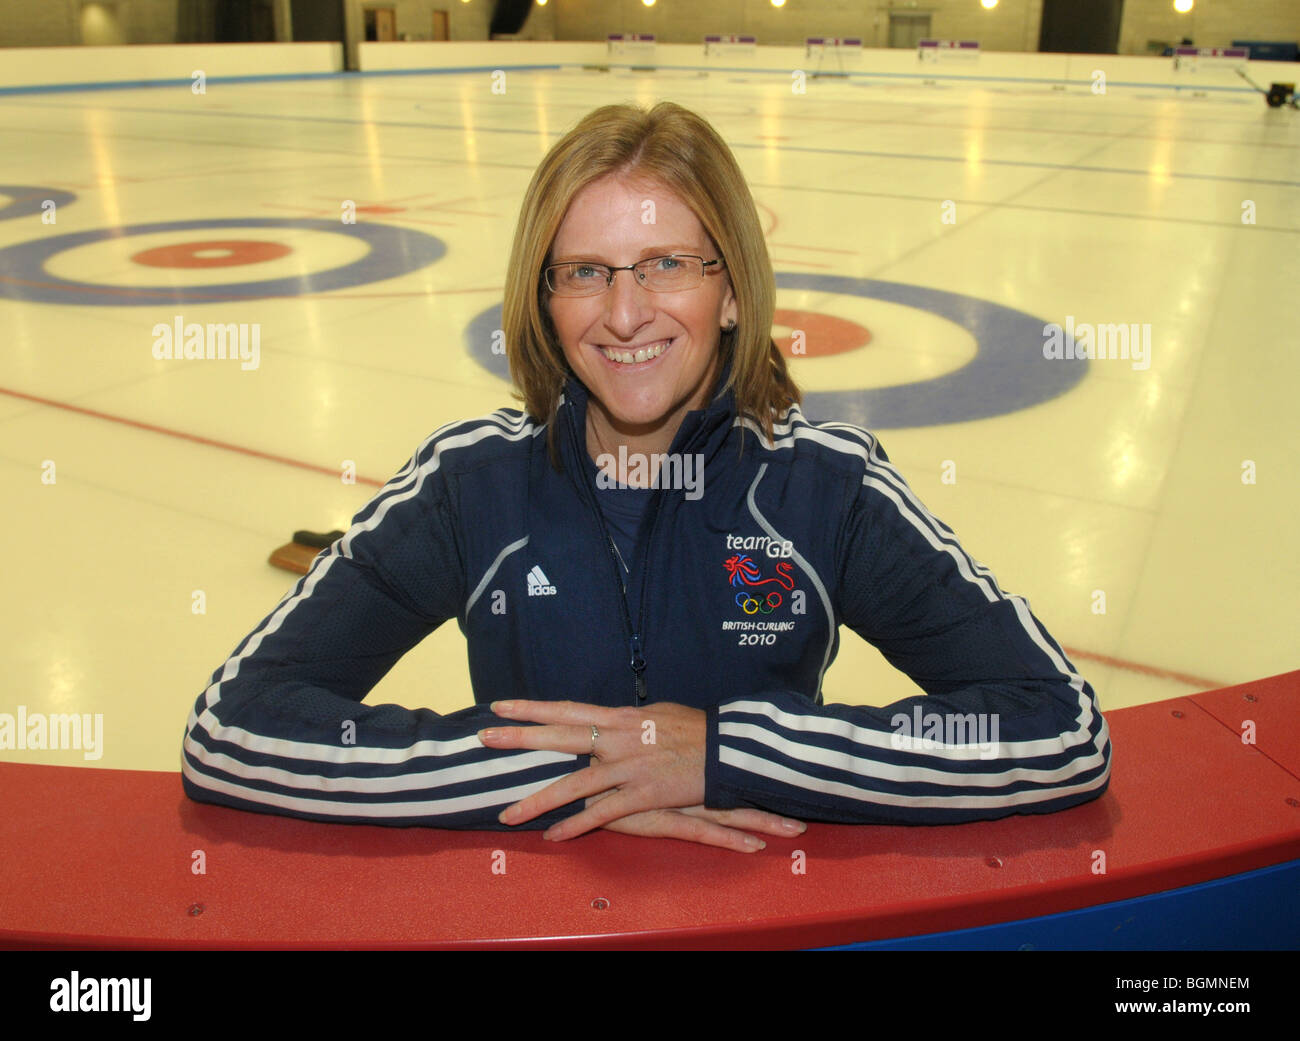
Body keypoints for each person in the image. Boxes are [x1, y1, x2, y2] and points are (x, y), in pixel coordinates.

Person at [181, 101, 1111, 852]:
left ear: (734, 288)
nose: (624, 314)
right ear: (544, 301)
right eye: (585, 272)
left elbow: (1059, 731)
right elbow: (232, 734)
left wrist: (728, 755)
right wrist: (564, 773)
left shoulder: (825, 489)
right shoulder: (472, 484)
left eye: (667, 264)